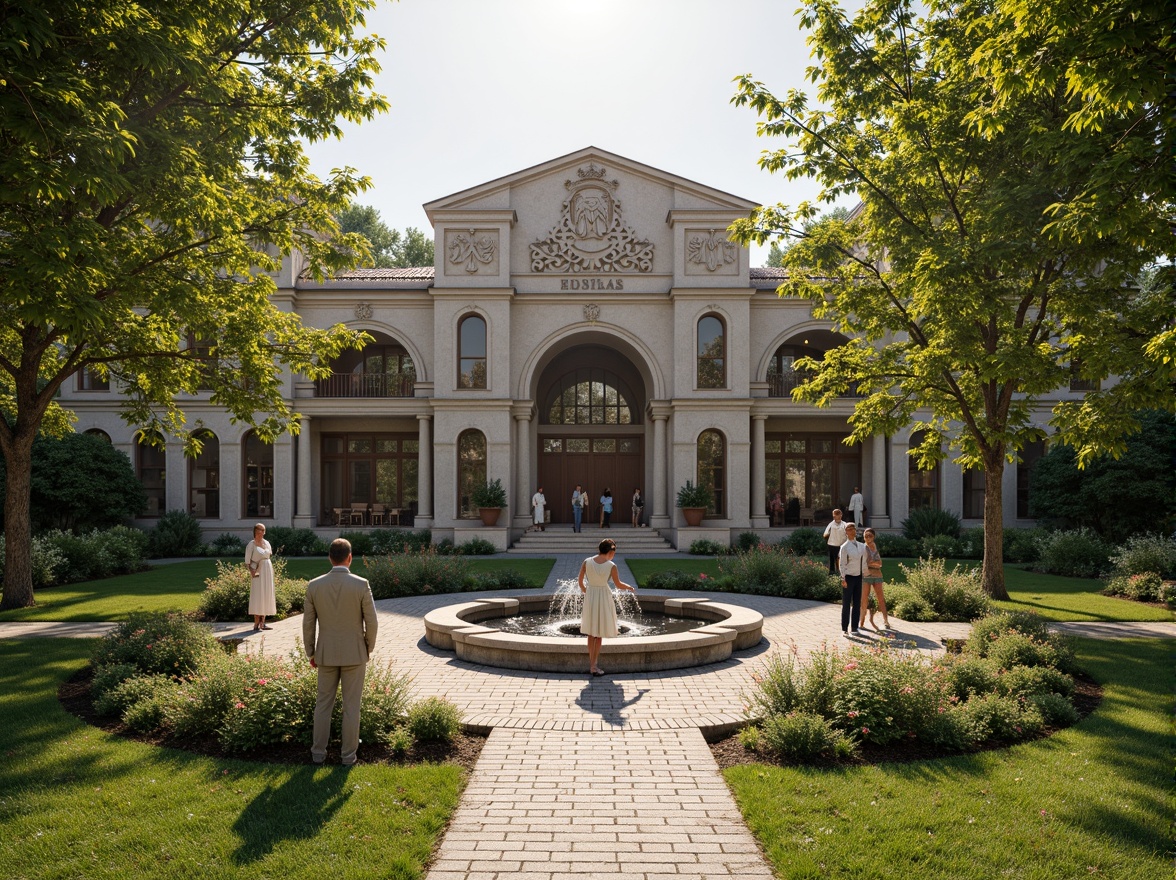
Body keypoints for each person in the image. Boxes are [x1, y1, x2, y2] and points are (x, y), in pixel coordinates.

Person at [303, 538, 379, 766]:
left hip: (325, 653)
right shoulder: (361, 584)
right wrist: (368, 647)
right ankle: (348, 757)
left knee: (323, 704)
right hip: (354, 653)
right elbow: (372, 622)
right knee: (351, 706)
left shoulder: (314, 585)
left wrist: (311, 652)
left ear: (329, 557)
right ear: (350, 557)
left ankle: (318, 754)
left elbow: (308, 623)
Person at [577, 538, 636, 675]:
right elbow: (618, 584)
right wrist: (629, 587)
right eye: (614, 553)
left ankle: (592, 665)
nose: (614, 555)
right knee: (599, 633)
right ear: (610, 551)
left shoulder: (587, 561)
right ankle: (594, 666)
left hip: (591, 596)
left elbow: (580, 582)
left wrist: (589, 592)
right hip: (603, 597)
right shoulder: (611, 565)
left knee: (591, 633)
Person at [838, 522, 867, 636]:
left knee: (856, 603)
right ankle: (844, 627)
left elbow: (864, 561)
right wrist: (843, 578)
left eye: (853, 529)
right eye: (849, 529)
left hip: (858, 577)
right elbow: (842, 564)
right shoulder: (844, 547)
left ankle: (854, 627)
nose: (852, 531)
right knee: (846, 603)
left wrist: (864, 574)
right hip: (848, 577)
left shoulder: (861, 546)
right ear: (846, 532)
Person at [245, 523, 275, 631]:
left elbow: (269, 554)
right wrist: (252, 571)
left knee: (266, 593)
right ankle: (256, 621)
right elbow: (248, 561)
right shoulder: (251, 544)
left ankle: (263, 622)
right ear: (255, 532)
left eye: (262, 531)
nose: (261, 533)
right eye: (258, 531)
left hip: (267, 569)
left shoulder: (266, 543)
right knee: (258, 594)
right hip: (257, 570)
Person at [860, 527, 890, 631]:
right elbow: (866, 563)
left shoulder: (874, 547)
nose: (868, 538)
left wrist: (872, 563)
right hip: (866, 575)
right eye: (866, 536)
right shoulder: (863, 548)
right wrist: (873, 563)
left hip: (877, 575)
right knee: (864, 599)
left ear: (874, 537)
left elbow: (880, 563)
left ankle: (886, 620)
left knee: (881, 598)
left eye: (870, 536)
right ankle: (861, 622)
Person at [823, 508, 848, 575]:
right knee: (832, 560)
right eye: (834, 515)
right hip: (832, 544)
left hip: (842, 545)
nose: (835, 516)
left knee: (841, 560)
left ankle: (840, 572)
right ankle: (831, 572)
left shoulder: (845, 524)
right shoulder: (831, 524)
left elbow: (848, 534)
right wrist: (827, 535)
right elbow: (825, 534)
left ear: (841, 515)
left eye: (837, 514)